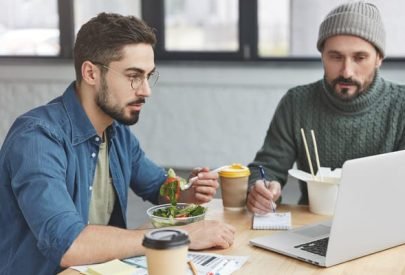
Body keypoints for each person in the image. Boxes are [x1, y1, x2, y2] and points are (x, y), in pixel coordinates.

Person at [0, 13, 235, 275]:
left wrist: (188, 191)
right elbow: (70, 244)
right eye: (134, 76)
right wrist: (182, 235)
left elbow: (158, 186)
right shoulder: (37, 138)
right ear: (91, 73)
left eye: (148, 76)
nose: (146, 90)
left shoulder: (116, 132)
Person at [247, 1, 405, 214]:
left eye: (360, 57)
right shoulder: (297, 102)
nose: (347, 71)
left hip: (385, 226)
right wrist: (261, 188)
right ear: (322, 55)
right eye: (336, 57)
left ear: (379, 58)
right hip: (310, 224)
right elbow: (266, 168)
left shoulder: (401, 105)